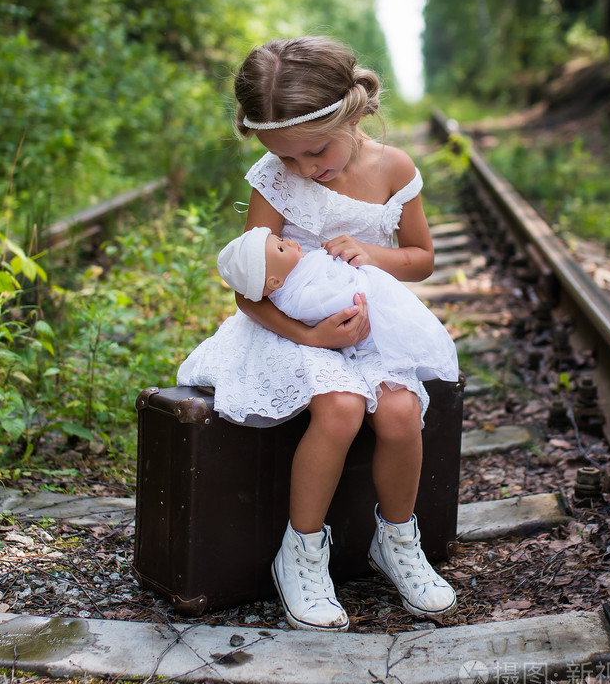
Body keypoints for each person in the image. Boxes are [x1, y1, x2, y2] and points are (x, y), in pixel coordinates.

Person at [177, 35, 459, 632]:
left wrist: (372, 256)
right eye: (289, 159)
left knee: (403, 413)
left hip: (370, 329)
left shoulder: (394, 169)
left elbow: (422, 258)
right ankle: (301, 552)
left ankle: (397, 541)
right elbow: (247, 291)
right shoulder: (272, 178)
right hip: (289, 333)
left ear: (352, 112)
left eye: (315, 152)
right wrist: (310, 339)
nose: (306, 169)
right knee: (340, 409)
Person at [216, 226, 459, 382]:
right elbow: (332, 302)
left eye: (281, 238)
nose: (289, 242)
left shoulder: (299, 271)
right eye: (280, 247)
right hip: (350, 326)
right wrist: (355, 285)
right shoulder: (293, 298)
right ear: (273, 281)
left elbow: (424, 262)